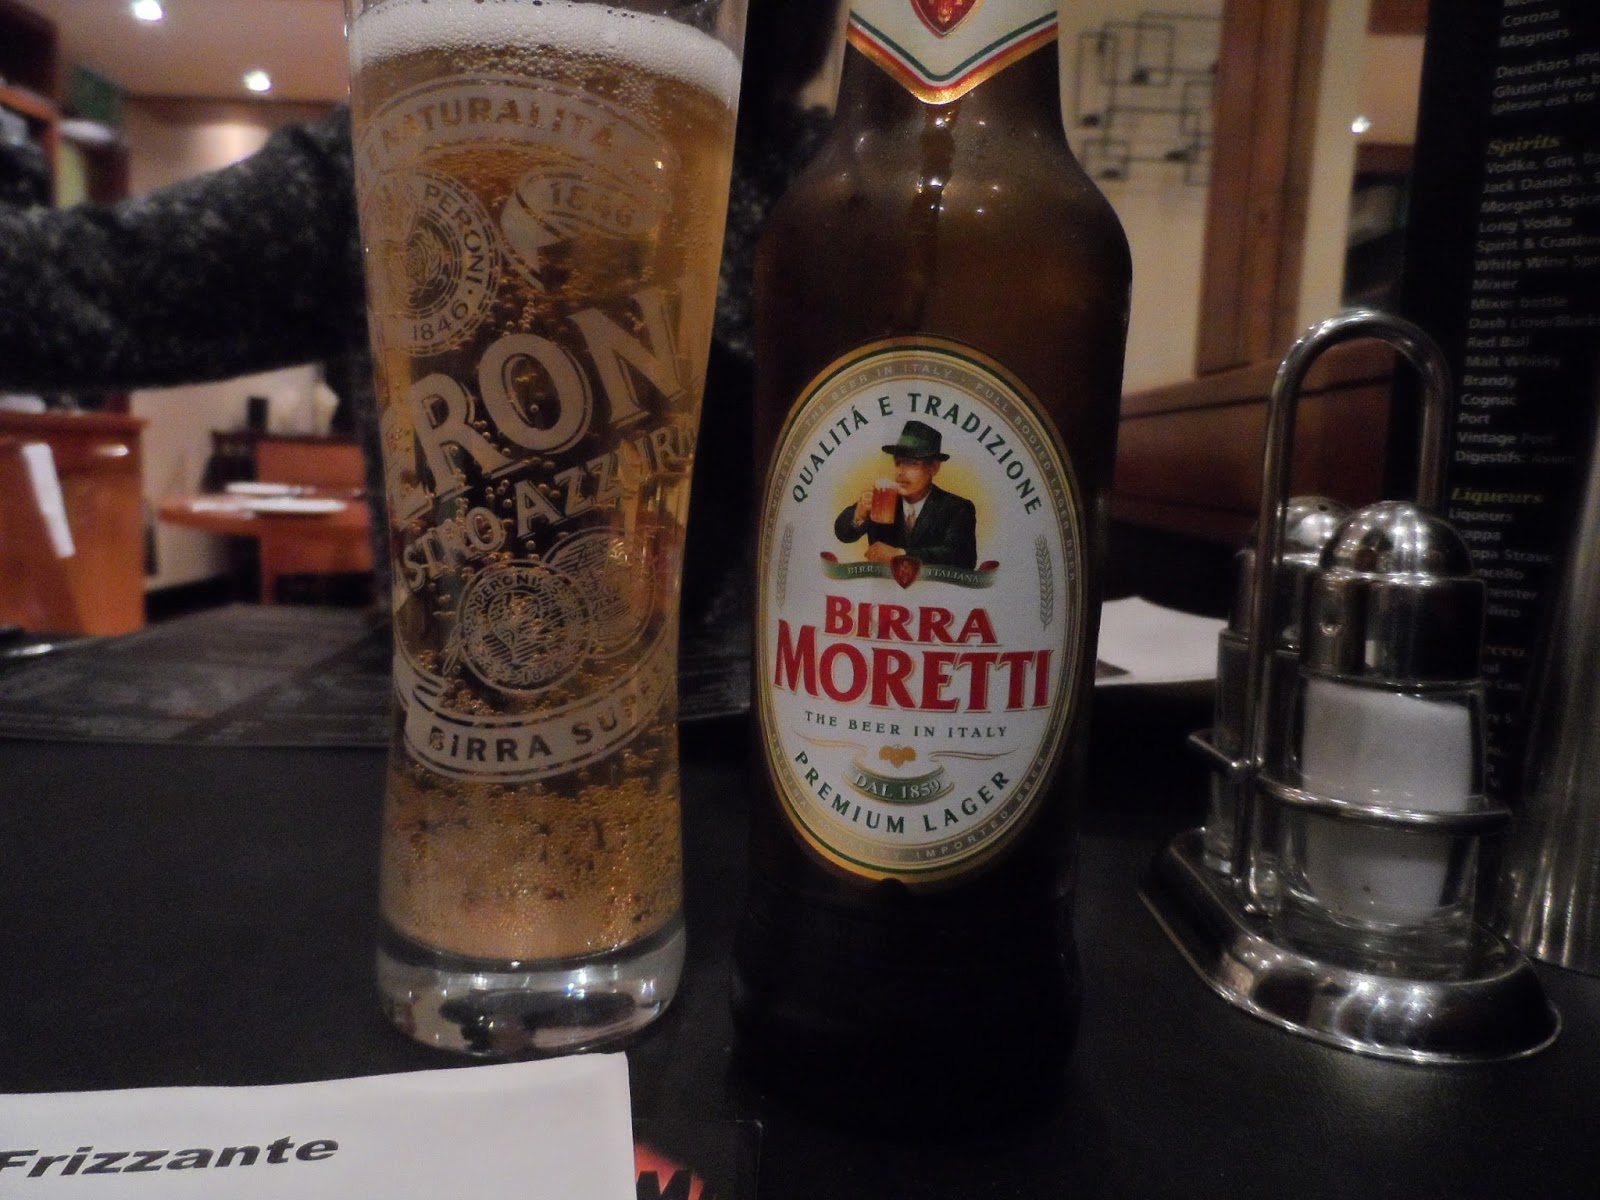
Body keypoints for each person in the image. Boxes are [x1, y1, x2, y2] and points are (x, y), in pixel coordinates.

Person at [0, 0, 840, 617]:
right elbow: (49, 292)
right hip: (442, 763)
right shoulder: (385, 149)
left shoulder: (841, 192)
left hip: (783, 768)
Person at [834, 420, 978, 570]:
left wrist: (900, 554)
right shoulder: (883, 499)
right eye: (898, 463)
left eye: (911, 463)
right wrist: (859, 516)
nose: (900, 472)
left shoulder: (957, 508)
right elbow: (843, 534)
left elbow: (964, 558)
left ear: (934, 468)